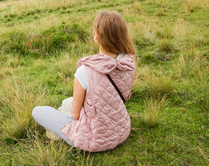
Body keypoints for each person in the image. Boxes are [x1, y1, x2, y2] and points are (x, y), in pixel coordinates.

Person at [32, 11, 136, 152]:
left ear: (97, 37)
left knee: (38, 111)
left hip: (95, 139)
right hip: (122, 130)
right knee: (68, 101)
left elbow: (75, 115)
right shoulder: (128, 62)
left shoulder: (85, 71)